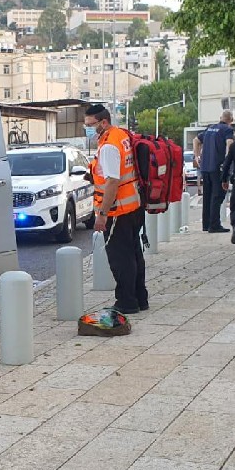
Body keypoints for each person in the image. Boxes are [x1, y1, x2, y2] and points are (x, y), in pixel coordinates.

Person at [85, 104, 148, 314]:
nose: (89, 130)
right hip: (133, 205)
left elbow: (112, 181)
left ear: (103, 122)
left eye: (91, 125)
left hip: (117, 210)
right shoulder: (121, 135)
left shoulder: (110, 145)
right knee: (134, 253)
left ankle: (127, 302)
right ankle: (140, 297)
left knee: (121, 258)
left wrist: (102, 214)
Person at [193, 110, 235, 233]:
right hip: (218, 167)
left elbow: (196, 140)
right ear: (231, 120)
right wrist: (228, 160)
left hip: (205, 167)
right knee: (217, 196)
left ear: (220, 117)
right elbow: (230, 143)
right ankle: (214, 225)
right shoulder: (227, 130)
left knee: (207, 196)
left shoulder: (210, 129)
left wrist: (197, 156)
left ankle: (206, 224)